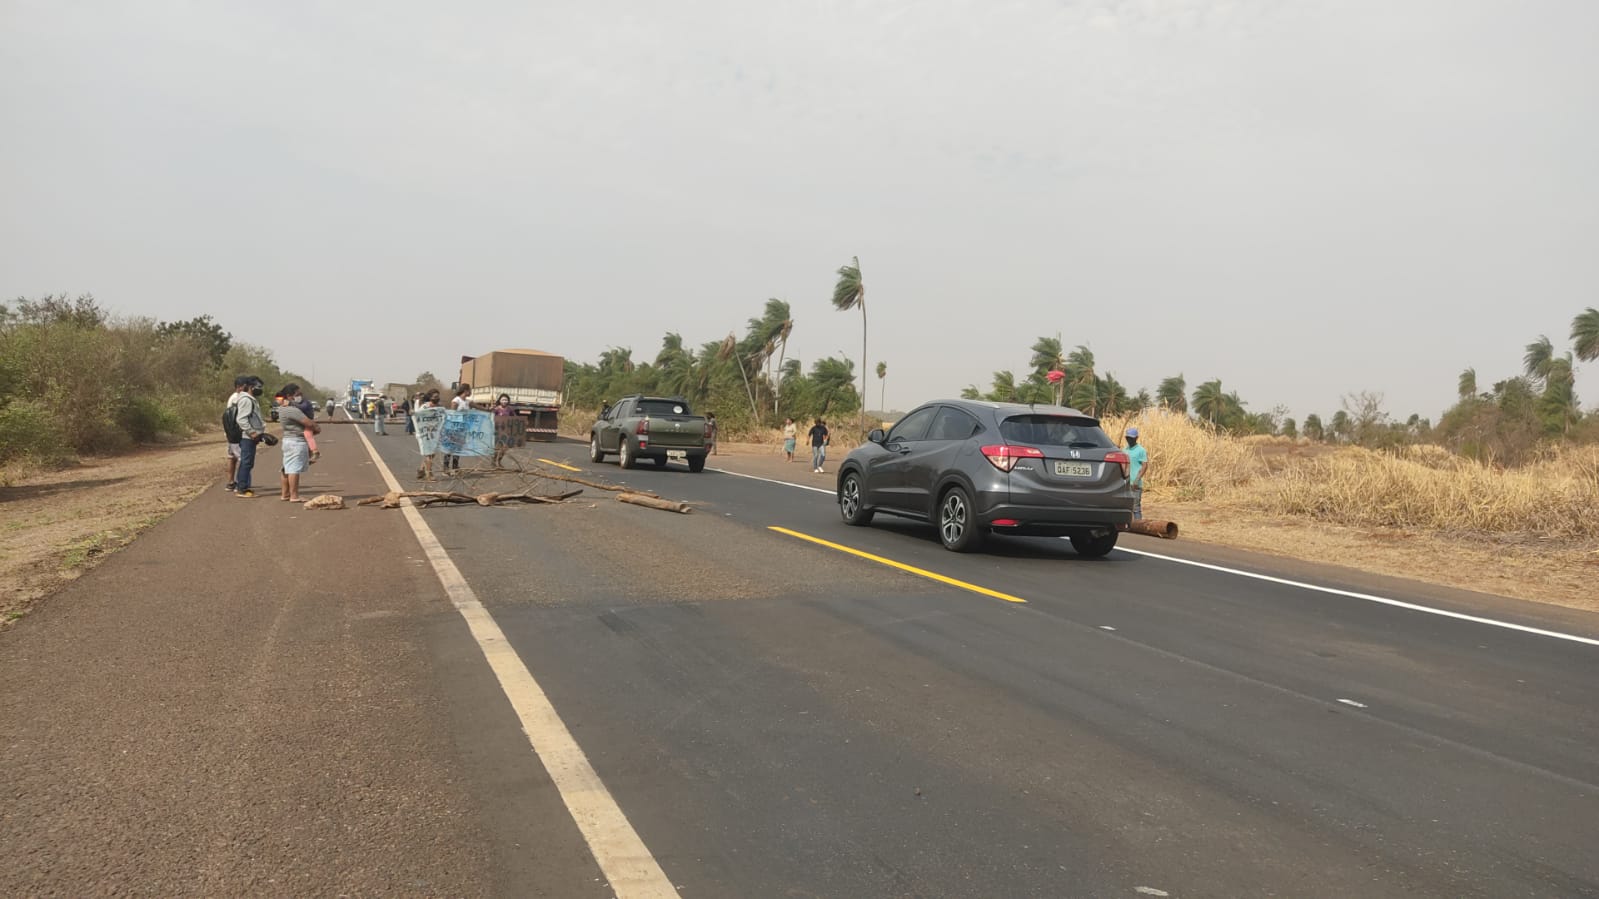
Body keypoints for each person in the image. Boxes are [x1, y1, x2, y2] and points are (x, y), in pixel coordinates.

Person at [275, 386, 319, 501]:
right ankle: (294, 496)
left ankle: (285, 494)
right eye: (297, 394)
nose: (299, 397)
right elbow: (308, 422)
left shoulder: (283, 408)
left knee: (287, 468)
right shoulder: (291, 410)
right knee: (294, 469)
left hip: (289, 440)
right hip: (296, 441)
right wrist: (316, 427)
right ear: (289, 396)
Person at [233, 376, 266, 498]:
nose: (260, 389)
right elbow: (241, 420)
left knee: (248, 463)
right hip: (247, 437)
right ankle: (242, 489)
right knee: (246, 462)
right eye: (258, 387)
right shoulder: (246, 400)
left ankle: (243, 486)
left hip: (251, 436)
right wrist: (252, 432)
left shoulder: (251, 399)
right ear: (251, 387)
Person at [223, 376, 249, 491]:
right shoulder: (238, 398)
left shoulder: (232, 398)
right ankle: (241, 484)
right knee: (242, 459)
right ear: (239, 387)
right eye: (245, 386)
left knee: (231, 457)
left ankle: (231, 482)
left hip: (230, 433)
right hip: (236, 434)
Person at [1125, 426, 1149, 521]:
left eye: (1131, 438)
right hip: (1126, 484)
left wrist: (1137, 479)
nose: (1129, 440)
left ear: (1136, 438)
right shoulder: (1125, 450)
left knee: (1136, 508)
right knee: (1127, 508)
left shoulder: (1141, 450)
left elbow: (1145, 466)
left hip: (1135, 484)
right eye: (1128, 438)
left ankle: (1139, 526)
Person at [445, 385, 471, 472]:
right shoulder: (456, 400)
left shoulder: (467, 401)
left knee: (458, 448)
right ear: (465, 391)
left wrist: (488, 410)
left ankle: (455, 467)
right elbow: (452, 414)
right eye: (469, 390)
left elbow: (479, 408)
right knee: (450, 448)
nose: (471, 392)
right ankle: (446, 468)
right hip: (454, 428)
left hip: (462, 429)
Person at [294, 390, 319, 462]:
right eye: (295, 397)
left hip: (308, 421)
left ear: (301, 396)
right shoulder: (296, 403)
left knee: (308, 435)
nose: (296, 398)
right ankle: (309, 454)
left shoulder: (305, 402)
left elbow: (303, 407)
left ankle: (315, 452)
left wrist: (291, 403)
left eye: (297, 396)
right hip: (301, 421)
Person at [491, 393, 514, 468]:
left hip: (506, 431)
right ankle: (493, 461)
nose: (504, 401)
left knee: (505, 448)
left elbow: (515, 418)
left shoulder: (510, 409)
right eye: (503, 399)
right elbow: (491, 418)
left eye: (506, 400)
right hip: (497, 430)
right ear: (500, 400)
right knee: (497, 447)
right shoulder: (496, 409)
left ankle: (499, 461)